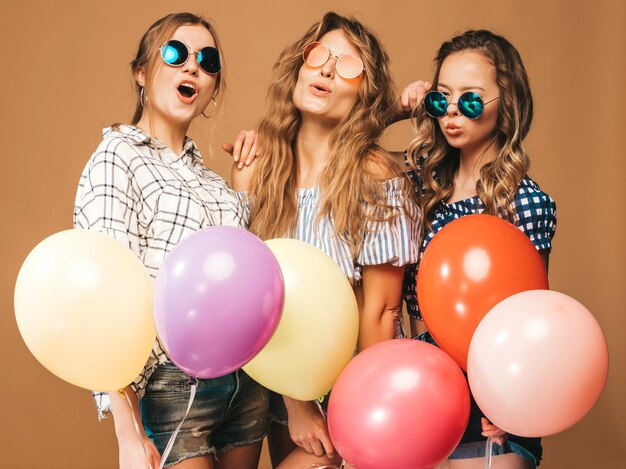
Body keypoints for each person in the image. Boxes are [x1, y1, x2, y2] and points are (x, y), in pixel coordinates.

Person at [73, 13, 264, 469]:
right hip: (175, 384)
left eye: (208, 60)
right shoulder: (116, 157)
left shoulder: (213, 181)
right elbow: (105, 295)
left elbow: (242, 278)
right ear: (141, 72)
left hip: (246, 382)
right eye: (176, 53)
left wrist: (243, 191)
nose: (193, 67)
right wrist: (126, 429)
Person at [232, 11, 421, 469]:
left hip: (352, 387)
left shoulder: (377, 176)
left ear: (365, 94)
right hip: (271, 386)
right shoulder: (256, 168)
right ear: (299, 65)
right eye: (319, 55)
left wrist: (361, 416)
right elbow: (245, 295)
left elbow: (381, 312)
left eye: (349, 66)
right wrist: (296, 403)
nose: (329, 70)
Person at [400, 30, 557, 468]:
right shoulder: (421, 185)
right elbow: (348, 154)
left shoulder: (523, 202)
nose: (452, 112)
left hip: (498, 401)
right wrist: (396, 108)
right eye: (441, 99)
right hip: (427, 392)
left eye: (470, 100)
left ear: (506, 103)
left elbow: (536, 319)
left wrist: (513, 402)